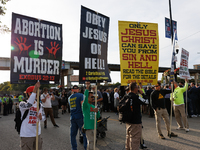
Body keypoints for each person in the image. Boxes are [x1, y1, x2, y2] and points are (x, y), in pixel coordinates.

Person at [19, 82, 46, 150]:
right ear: (29, 93)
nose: (37, 94)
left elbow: (43, 118)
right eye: (35, 92)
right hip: (26, 135)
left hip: (37, 134)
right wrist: (35, 89)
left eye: (37, 92)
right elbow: (29, 105)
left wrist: (41, 118)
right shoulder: (22, 104)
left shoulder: (39, 105)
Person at [123, 82, 149, 150]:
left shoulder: (126, 96)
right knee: (135, 140)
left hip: (128, 121)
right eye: (138, 87)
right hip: (136, 122)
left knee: (128, 138)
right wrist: (142, 94)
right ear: (135, 88)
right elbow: (146, 102)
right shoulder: (136, 97)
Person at [82, 82, 100, 150]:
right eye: (91, 97)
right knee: (91, 141)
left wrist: (97, 111)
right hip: (88, 127)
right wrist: (87, 87)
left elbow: (98, 116)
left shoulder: (93, 105)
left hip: (94, 127)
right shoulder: (85, 106)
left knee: (93, 142)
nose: (93, 98)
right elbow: (85, 98)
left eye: (93, 96)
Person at [68, 85, 87, 150]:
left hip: (73, 117)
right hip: (80, 117)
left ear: (72, 90)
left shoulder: (70, 97)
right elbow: (82, 105)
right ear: (78, 89)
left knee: (73, 135)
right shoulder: (81, 95)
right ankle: (86, 148)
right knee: (84, 134)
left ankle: (74, 148)